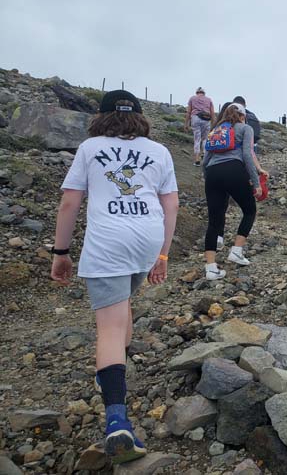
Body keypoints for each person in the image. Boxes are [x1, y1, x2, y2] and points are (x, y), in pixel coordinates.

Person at [51, 90, 179, 464]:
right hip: (147, 240)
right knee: (121, 310)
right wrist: (163, 254)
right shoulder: (159, 152)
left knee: (107, 326)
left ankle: (117, 420)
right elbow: (170, 203)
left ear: (102, 116)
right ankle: (112, 372)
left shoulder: (91, 148)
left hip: (109, 242)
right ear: (140, 118)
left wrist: (60, 253)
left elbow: (69, 202)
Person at [202, 103, 268, 280]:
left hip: (212, 174)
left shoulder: (215, 131)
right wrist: (256, 183)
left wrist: (207, 178)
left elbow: (205, 160)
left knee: (214, 221)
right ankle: (236, 251)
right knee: (249, 210)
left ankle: (210, 268)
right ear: (242, 116)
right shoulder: (245, 128)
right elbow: (247, 155)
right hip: (233, 170)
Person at [185, 87, 215, 167]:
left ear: (197, 92)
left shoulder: (192, 98)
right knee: (205, 138)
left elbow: (188, 112)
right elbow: (212, 113)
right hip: (206, 119)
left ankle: (197, 159)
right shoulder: (209, 100)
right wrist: (213, 125)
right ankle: (204, 154)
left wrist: (186, 124)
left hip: (196, 118)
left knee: (197, 139)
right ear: (204, 93)